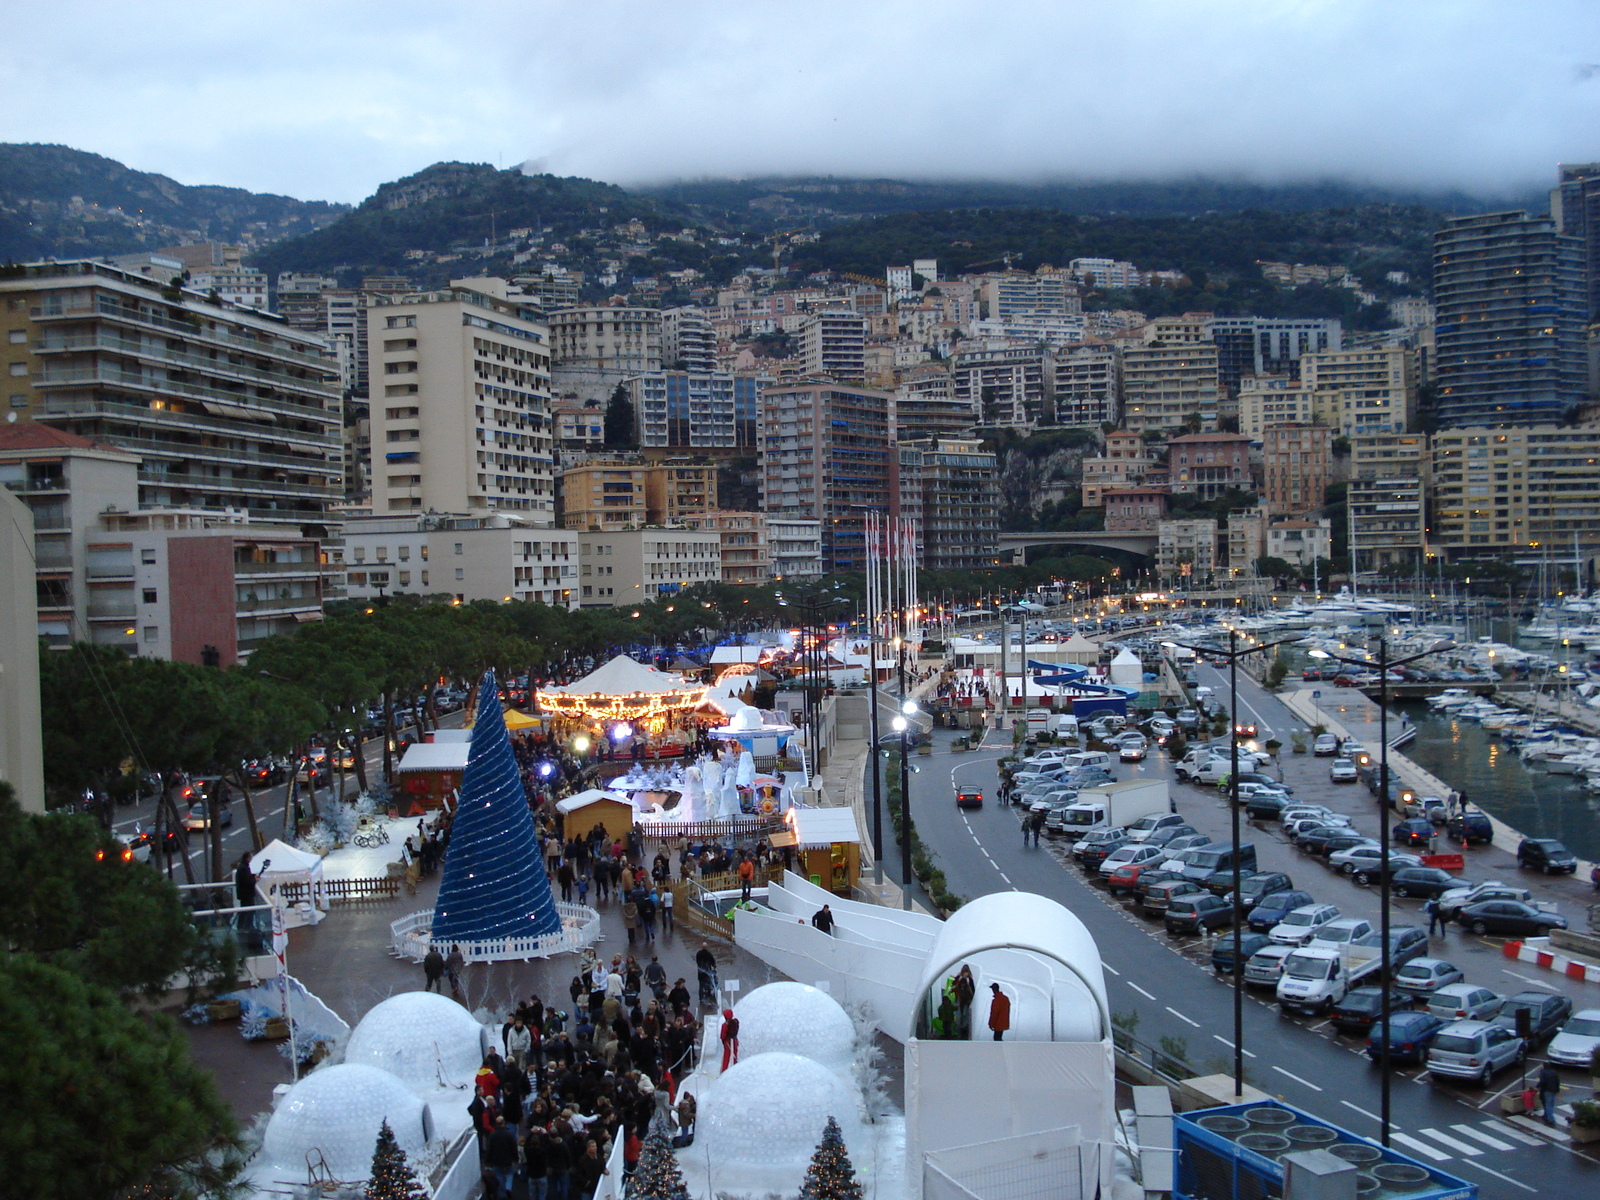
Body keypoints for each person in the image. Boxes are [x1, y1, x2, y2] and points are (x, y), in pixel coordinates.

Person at [485, 1115, 519, 1198]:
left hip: (496, 1161)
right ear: (504, 1123)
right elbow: (513, 1148)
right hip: (508, 1160)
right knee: (509, 1174)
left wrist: (487, 1161)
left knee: (499, 1177)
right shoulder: (509, 1134)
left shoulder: (492, 1135)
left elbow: (489, 1149)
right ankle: (508, 1188)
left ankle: (503, 1192)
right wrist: (516, 1158)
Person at [1537, 1060, 1562, 1125]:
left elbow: (1542, 1081)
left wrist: (1537, 1086)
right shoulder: (1554, 1072)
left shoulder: (1543, 1072)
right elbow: (1557, 1081)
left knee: (1547, 1104)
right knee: (1551, 1104)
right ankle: (1546, 1115)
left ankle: (1551, 1119)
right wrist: (1558, 1090)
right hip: (1554, 1090)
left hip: (1547, 1090)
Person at [696, 944, 719, 1008]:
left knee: (701, 985)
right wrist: (714, 968)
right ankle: (708, 996)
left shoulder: (698, 954)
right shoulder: (709, 954)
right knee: (708, 984)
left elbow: (697, 962)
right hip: (707, 973)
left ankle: (701, 997)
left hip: (700, 973)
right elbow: (713, 962)